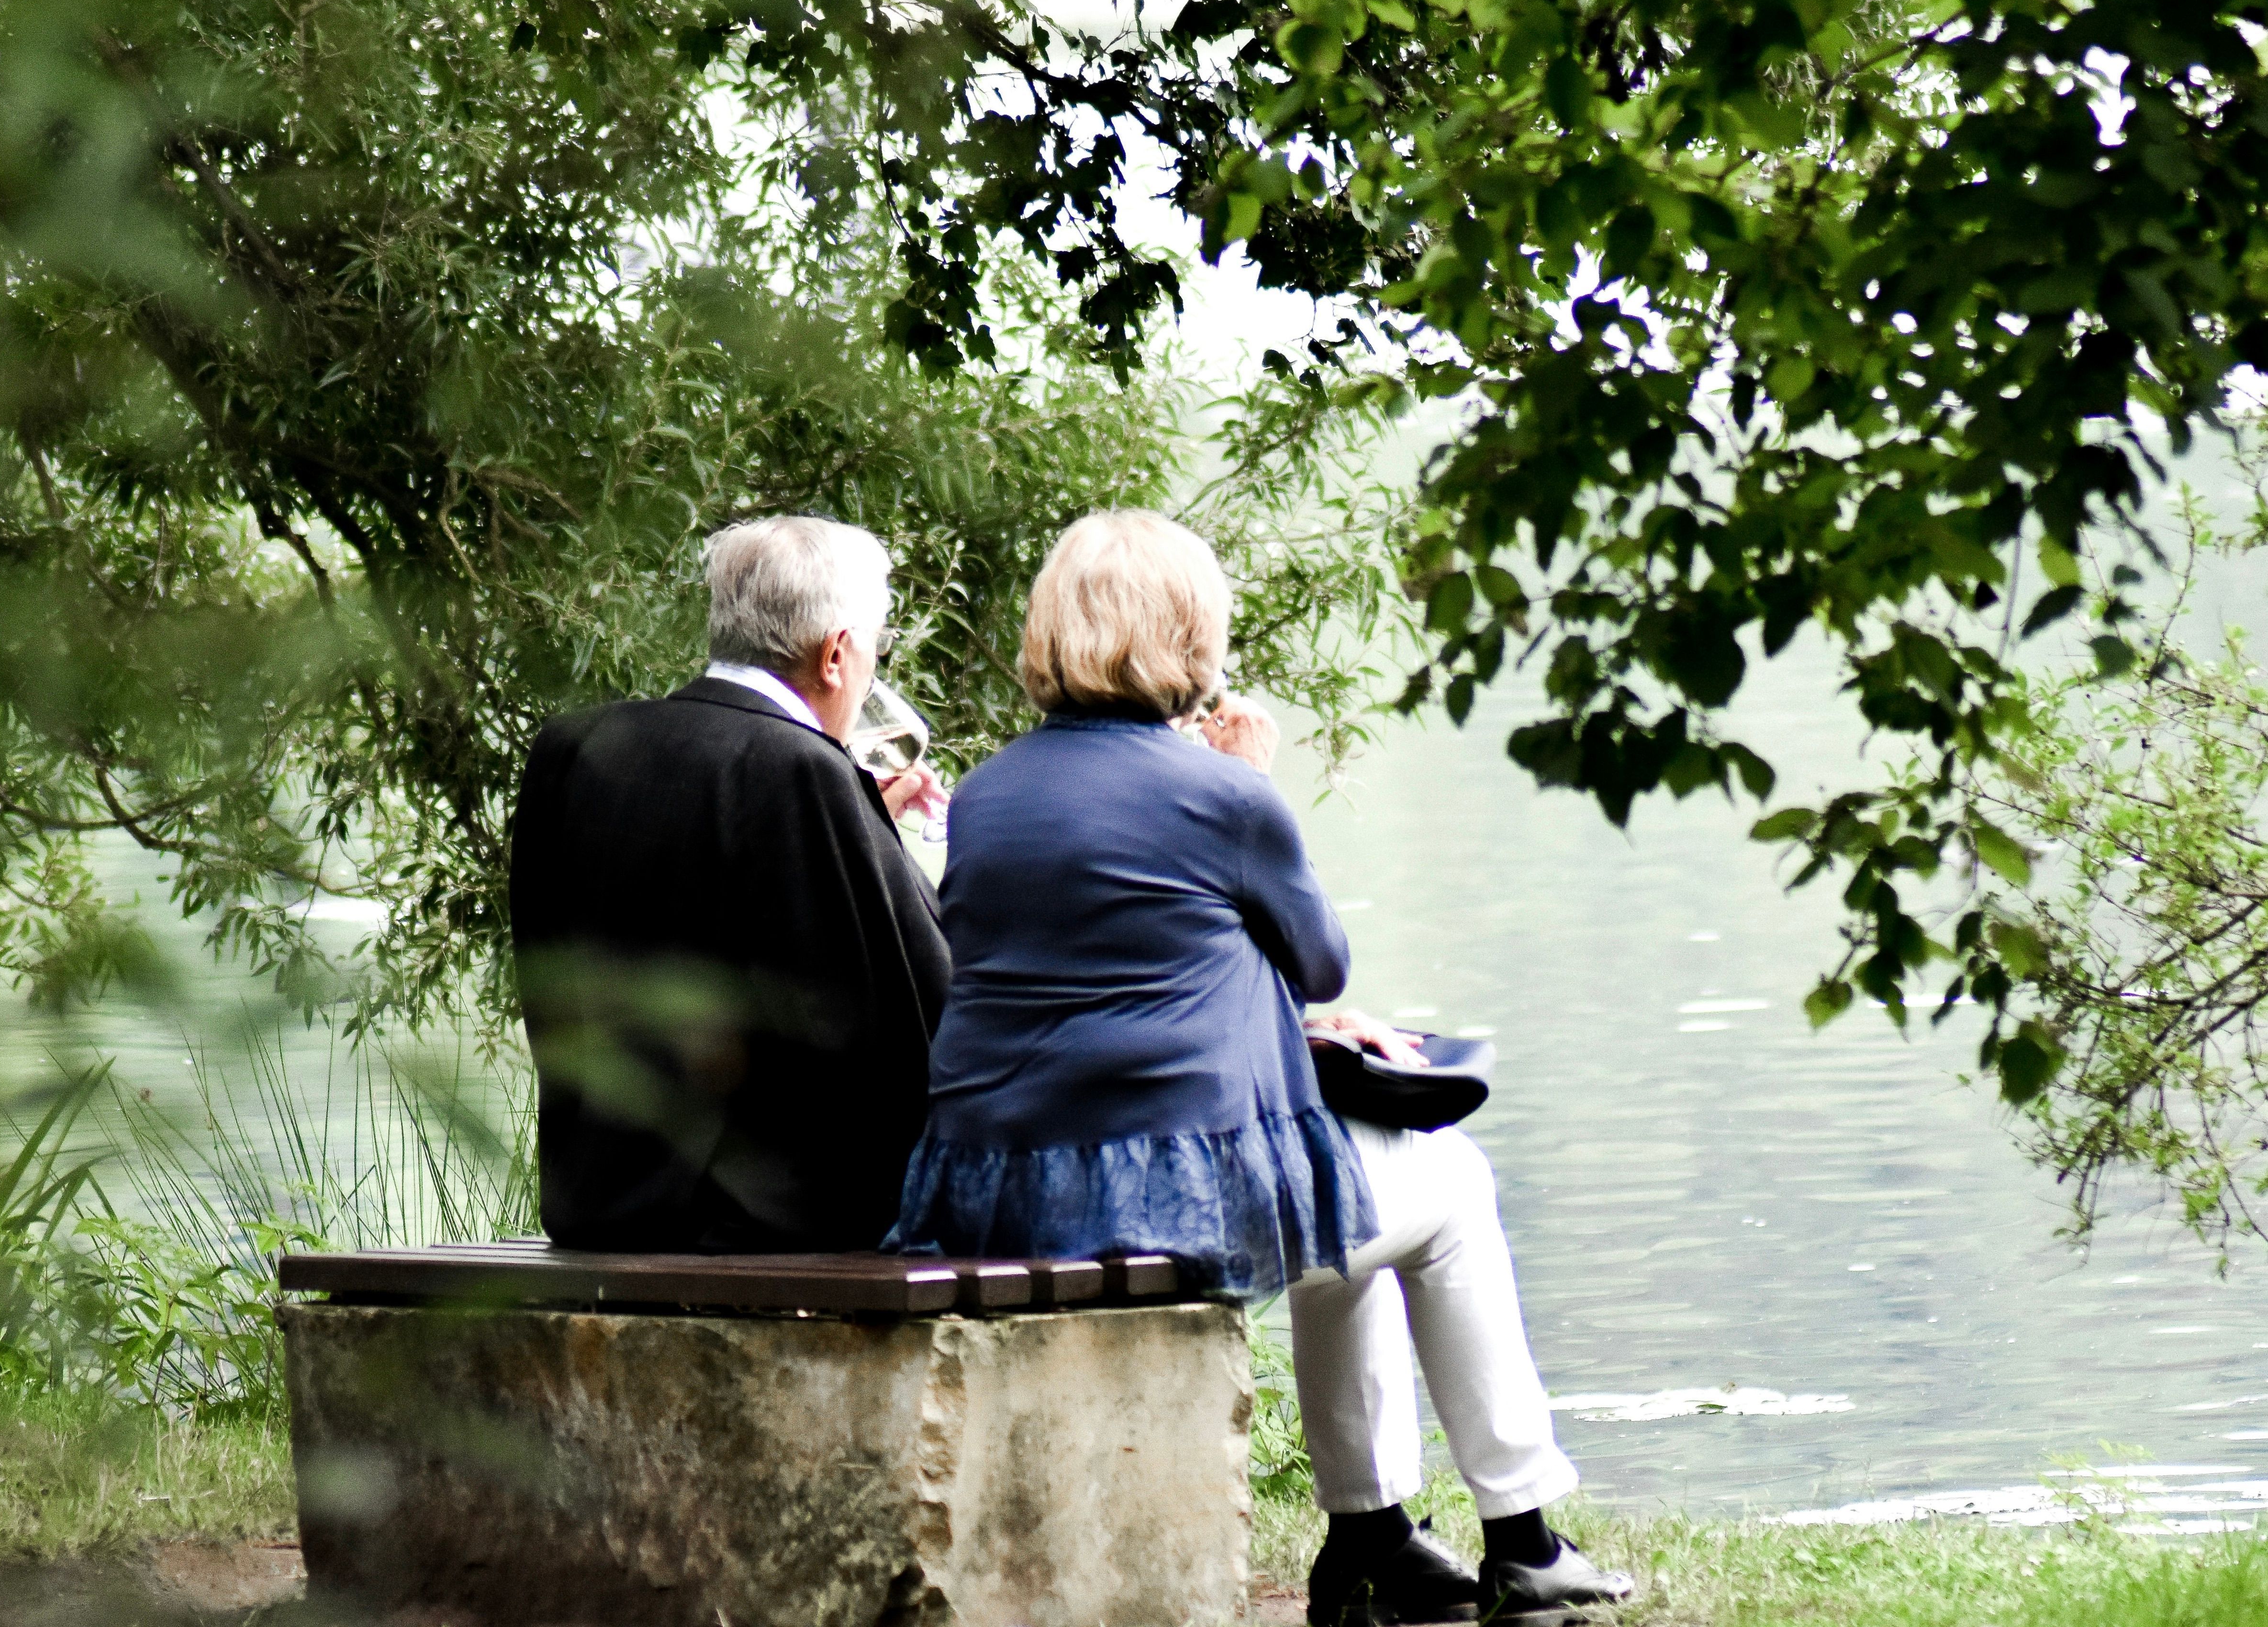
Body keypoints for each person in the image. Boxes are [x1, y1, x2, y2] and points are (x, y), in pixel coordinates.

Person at [886, 511, 1631, 1627]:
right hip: (1163, 1199)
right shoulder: (1220, 796)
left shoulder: (987, 794)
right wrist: (1249, 781)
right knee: (1451, 1185)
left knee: (1356, 1204)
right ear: (1188, 632)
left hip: (1001, 1188)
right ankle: (1523, 1536)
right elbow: (1321, 959)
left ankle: (1373, 1535)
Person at [509, 515, 949, 1253]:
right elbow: (913, 1014)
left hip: (594, 1204)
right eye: (874, 649)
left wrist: (865, 823)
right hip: (762, 1228)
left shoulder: (573, 747)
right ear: (837, 655)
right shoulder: (803, 771)